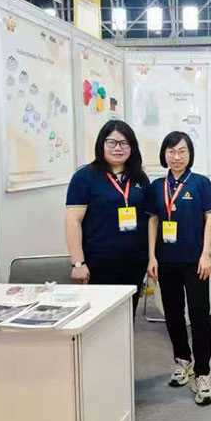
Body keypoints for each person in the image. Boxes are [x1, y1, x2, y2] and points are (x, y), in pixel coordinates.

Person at [146, 131, 211, 406]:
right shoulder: (157, 186)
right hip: (166, 261)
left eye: (182, 151)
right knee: (173, 314)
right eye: (171, 151)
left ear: (190, 154)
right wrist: (151, 257)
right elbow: (153, 221)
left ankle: (202, 374)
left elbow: (210, 219)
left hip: (194, 262)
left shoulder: (201, 183)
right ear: (164, 154)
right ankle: (182, 361)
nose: (176, 157)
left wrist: (205, 255)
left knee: (200, 316)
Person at [65, 120, 151, 312]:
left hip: (135, 260)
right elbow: (73, 221)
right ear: (101, 144)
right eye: (111, 142)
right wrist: (78, 263)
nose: (118, 148)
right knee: (100, 315)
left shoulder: (139, 177)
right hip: (99, 261)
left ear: (132, 147)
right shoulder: (84, 177)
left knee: (128, 313)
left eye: (124, 143)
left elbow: (149, 218)